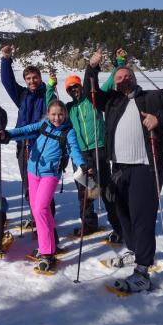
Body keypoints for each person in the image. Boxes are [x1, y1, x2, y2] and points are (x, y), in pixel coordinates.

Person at [85, 51, 163, 292]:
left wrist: (159, 118)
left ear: (133, 77)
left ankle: (143, 270)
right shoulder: (112, 101)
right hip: (119, 167)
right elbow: (93, 93)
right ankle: (134, 251)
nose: (121, 80)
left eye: (125, 76)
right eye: (118, 78)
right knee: (123, 212)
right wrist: (92, 68)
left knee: (142, 217)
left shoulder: (154, 96)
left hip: (146, 167)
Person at [0, 100, 88, 272]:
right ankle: (48, 245)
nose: (57, 118)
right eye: (54, 114)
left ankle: (47, 253)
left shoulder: (68, 132)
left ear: (65, 115)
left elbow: (75, 150)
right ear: (48, 114)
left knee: (41, 208)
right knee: (39, 211)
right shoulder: (43, 124)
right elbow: (25, 130)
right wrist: (5, 134)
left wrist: (82, 164)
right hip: (33, 171)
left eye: (60, 114)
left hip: (50, 174)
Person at [46, 72, 121, 242]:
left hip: (98, 149)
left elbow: (109, 83)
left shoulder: (93, 100)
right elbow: (50, 103)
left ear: (81, 86)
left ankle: (118, 226)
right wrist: (51, 84)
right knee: (85, 190)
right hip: (79, 154)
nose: (74, 90)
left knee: (105, 187)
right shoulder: (69, 108)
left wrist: (119, 64)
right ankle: (88, 223)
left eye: (76, 87)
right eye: (70, 89)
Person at [0, 45, 50, 229]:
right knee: (28, 186)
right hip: (23, 146)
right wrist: (6, 59)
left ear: (40, 77)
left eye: (34, 77)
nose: (32, 81)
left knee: (43, 188)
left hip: (42, 147)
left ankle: (45, 223)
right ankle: (35, 217)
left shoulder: (48, 95)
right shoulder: (22, 95)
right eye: (28, 79)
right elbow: (7, 82)